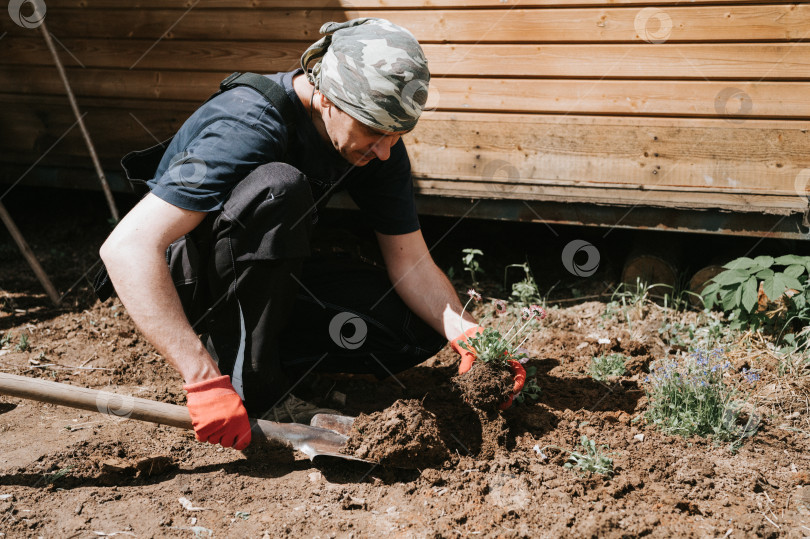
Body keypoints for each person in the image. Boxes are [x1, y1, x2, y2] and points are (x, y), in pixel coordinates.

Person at [99, 18, 522, 451]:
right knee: (279, 190)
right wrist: (202, 378)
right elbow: (127, 246)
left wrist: (473, 338)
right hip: (189, 286)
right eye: (375, 132)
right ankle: (254, 385)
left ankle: (268, 357)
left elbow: (410, 261)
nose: (385, 149)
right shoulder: (248, 124)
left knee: (417, 328)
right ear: (325, 96)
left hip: (263, 273)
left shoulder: (377, 142)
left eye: (397, 135)